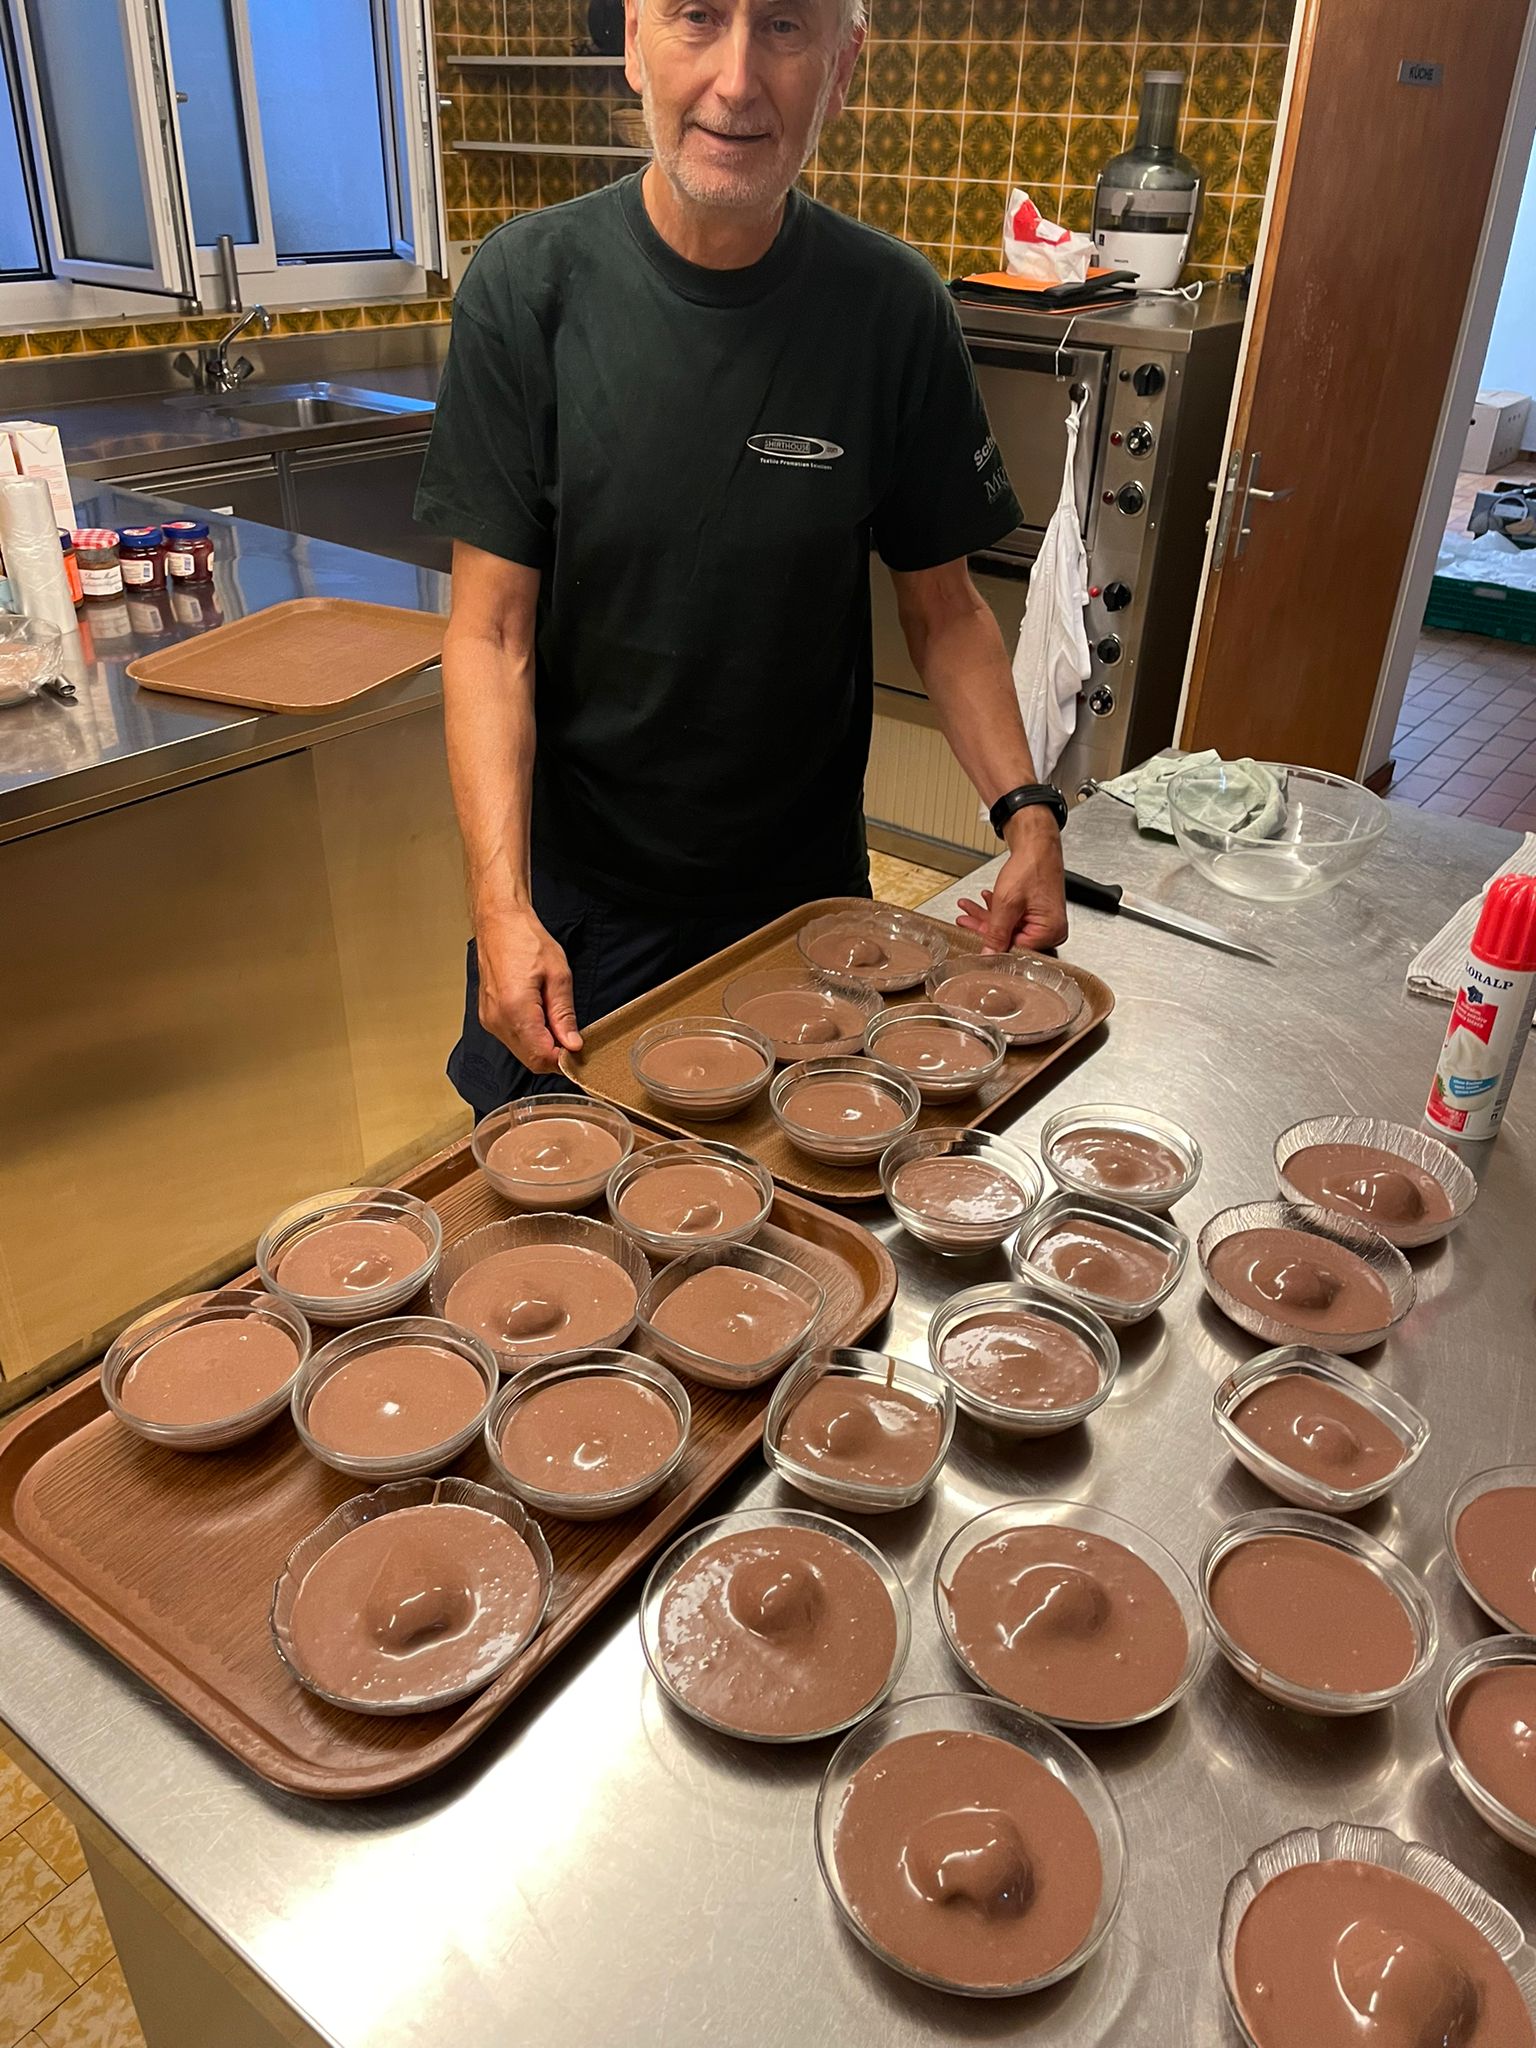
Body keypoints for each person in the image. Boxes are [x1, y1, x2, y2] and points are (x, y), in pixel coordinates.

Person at [416, 0, 1069, 1121]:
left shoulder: (892, 308)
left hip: (807, 914)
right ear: (635, 41)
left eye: (783, 27)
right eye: (697, 17)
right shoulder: (529, 286)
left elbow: (947, 611)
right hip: (586, 917)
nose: (735, 78)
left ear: (843, 65)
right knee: (558, 1205)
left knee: (813, 1209)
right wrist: (499, 904)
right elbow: (489, 634)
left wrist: (1028, 813)